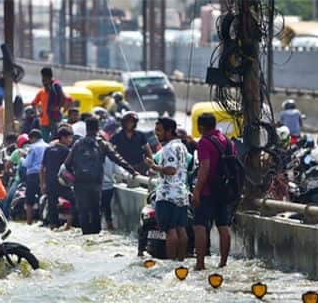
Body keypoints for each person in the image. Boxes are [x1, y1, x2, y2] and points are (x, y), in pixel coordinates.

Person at [65, 118, 136, 234]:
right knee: (95, 209)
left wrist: (76, 177)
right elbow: (117, 158)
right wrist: (132, 171)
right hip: (95, 182)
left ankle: (85, 235)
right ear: (98, 129)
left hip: (79, 183)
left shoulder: (78, 144)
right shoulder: (102, 143)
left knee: (83, 210)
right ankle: (95, 235)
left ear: (86, 129)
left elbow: (67, 164)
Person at [192, 112, 235, 270]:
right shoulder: (227, 141)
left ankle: (200, 264)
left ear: (201, 127)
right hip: (225, 190)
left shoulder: (204, 142)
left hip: (208, 190)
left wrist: (197, 190)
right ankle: (223, 263)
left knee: (200, 226)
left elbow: (205, 168)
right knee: (223, 226)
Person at [144, 117, 189, 261]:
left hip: (167, 195)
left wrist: (153, 166)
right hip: (181, 194)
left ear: (169, 131)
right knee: (181, 229)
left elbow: (171, 170)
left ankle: (171, 263)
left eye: (159, 130)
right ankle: (180, 261)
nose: (156, 134)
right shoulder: (182, 146)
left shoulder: (169, 148)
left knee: (170, 231)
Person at [40, 125, 75, 229]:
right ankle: (68, 225)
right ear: (63, 138)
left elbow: (42, 168)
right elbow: (71, 168)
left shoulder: (48, 149)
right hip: (62, 183)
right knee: (76, 200)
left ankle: (52, 226)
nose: (71, 140)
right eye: (69, 138)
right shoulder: (66, 151)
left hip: (50, 183)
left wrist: (42, 184)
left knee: (52, 206)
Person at [30, 67, 66, 140]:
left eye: (44, 80)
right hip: (44, 122)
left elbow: (64, 98)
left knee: (54, 139)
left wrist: (58, 107)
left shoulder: (55, 86)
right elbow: (33, 103)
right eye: (43, 80)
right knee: (46, 141)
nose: (43, 82)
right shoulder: (41, 92)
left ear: (48, 78)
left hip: (54, 119)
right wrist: (37, 113)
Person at [22, 129, 48, 224]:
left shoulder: (32, 147)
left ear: (33, 138)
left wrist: (21, 159)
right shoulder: (47, 146)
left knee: (29, 199)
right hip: (45, 175)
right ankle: (42, 220)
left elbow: (27, 164)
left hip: (33, 175)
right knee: (43, 197)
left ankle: (29, 222)